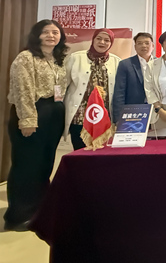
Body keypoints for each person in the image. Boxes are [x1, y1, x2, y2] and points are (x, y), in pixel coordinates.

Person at [4, 20, 69, 232]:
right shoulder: (26, 58)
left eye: (55, 32)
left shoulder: (58, 60)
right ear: (37, 35)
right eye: (46, 32)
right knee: (26, 165)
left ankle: (38, 209)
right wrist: (28, 120)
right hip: (33, 112)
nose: (51, 35)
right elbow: (23, 91)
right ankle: (18, 215)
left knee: (44, 164)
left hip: (53, 114)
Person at [64, 28, 121, 150]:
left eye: (107, 40)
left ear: (111, 43)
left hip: (104, 118)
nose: (102, 42)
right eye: (99, 39)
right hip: (80, 117)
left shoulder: (116, 61)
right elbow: (63, 85)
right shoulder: (76, 58)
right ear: (93, 40)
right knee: (80, 152)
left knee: (102, 154)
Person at [112, 32, 155, 123]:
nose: (143, 46)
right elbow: (119, 92)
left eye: (147, 43)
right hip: (133, 112)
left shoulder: (160, 63)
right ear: (135, 47)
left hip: (156, 111)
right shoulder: (125, 64)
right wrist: (118, 118)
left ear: (153, 46)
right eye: (139, 43)